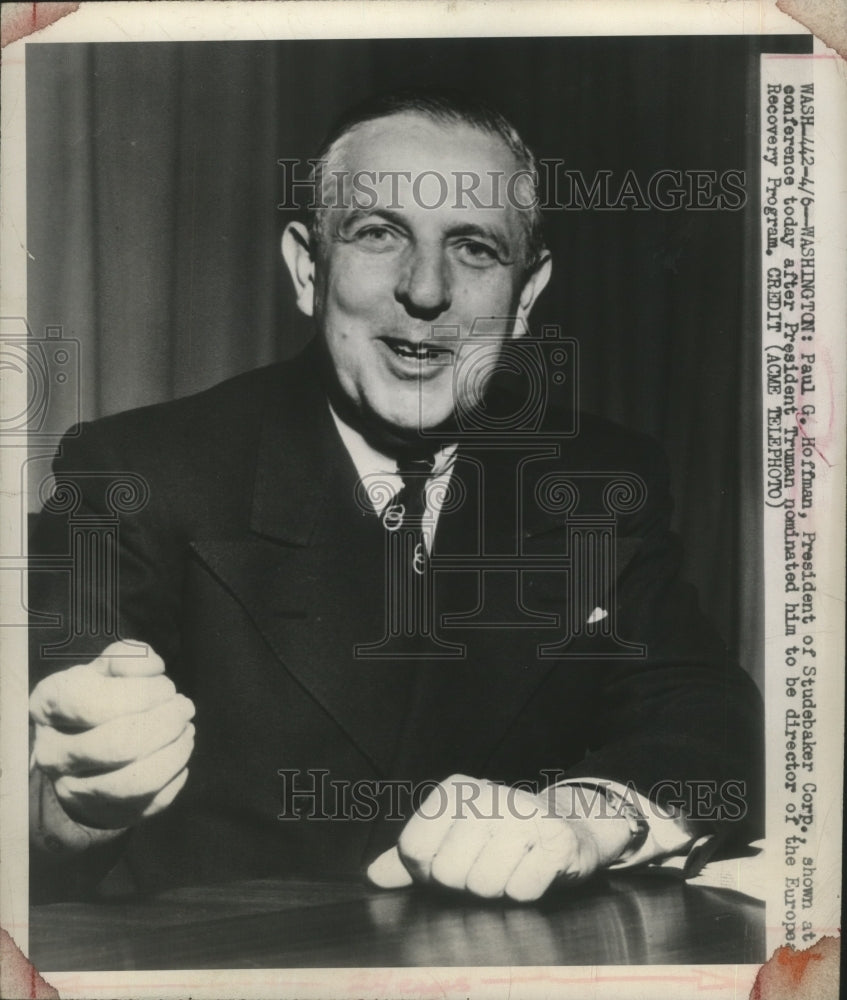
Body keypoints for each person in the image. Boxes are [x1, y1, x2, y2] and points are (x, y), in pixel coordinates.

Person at [28, 90, 763, 904]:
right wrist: (76, 803)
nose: (424, 290)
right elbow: (55, 770)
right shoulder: (136, 472)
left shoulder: (600, 478)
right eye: (379, 235)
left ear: (525, 296)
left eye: (475, 249)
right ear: (310, 269)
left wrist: (583, 821)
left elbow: (706, 717)